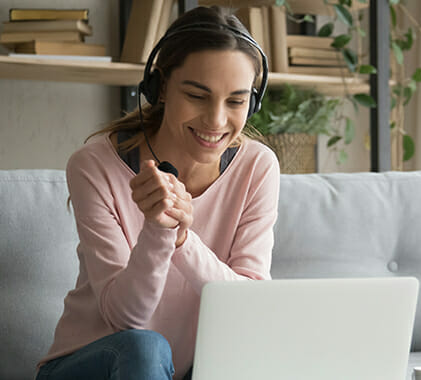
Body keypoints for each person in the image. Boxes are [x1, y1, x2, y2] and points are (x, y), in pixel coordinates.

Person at [36, 6, 280, 380]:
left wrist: (183, 238)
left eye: (235, 101)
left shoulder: (257, 167)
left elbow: (249, 306)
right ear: (161, 87)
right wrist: (159, 230)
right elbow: (126, 318)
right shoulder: (94, 165)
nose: (216, 121)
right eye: (197, 96)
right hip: (91, 363)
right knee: (145, 347)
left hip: (181, 372)